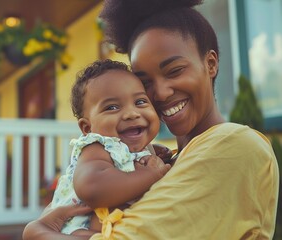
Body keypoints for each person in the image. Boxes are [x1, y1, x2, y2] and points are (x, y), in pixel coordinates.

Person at [23, 0, 280, 239]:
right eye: (145, 82)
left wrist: (40, 232)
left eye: (175, 71)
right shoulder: (160, 160)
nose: (161, 92)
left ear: (210, 63)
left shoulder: (235, 146)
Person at [51, 59, 171, 237]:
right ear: (87, 128)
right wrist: (151, 175)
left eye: (140, 102)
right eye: (112, 107)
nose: (131, 113)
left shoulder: (131, 147)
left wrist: (154, 150)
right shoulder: (96, 147)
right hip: (76, 228)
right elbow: (92, 187)